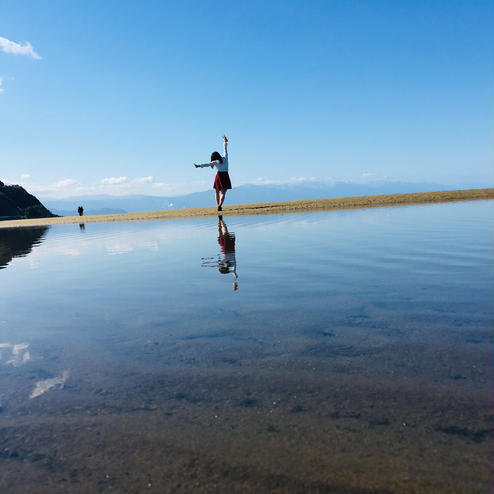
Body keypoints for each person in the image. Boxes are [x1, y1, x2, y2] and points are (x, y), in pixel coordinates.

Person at [194, 135, 231, 211]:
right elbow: (225, 149)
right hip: (225, 175)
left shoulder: (215, 162)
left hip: (219, 176)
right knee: (223, 192)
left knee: (216, 191)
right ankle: (220, 205)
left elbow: (207, 164)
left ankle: (218, 205)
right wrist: (224, 142)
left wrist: (198, 166)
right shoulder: (225, 158)